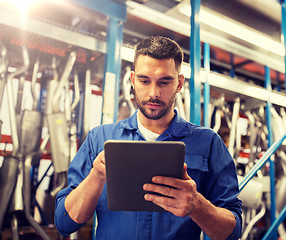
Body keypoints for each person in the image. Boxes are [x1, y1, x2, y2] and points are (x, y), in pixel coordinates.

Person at [54, 36, 242, 240]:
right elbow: (65, 223)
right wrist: (96, 177)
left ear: (179, 83)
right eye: (145, 81)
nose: (154, 93)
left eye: (164, 81)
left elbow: (232, 232)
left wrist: (198, 206)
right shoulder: (99, 139)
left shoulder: (209, 143)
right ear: (133, 80)